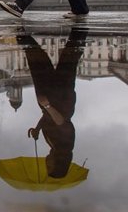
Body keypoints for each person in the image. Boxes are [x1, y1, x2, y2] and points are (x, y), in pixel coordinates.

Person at [19, 27, 88, 178]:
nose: (46, 163)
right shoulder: (65, 147)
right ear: (59, 162)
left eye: (46, 166)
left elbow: (48, 120)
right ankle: (80, 31)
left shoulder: (53, 147)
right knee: (67, 59)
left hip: (50, 96)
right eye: (50, 165)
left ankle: (22, 35)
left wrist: (37, 129)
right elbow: (61, 122)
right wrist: (47, 105)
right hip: (59, 96)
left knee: (39, 63)